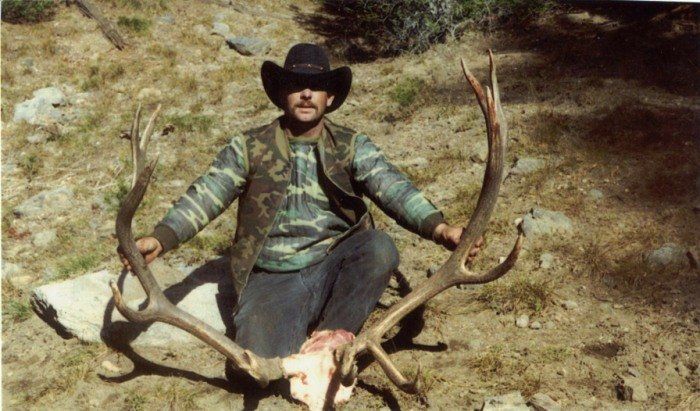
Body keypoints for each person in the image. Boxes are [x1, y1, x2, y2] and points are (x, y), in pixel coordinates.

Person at [120, 43, 480, 360]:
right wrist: (161, 239)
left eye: (317, 86)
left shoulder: (351, 145)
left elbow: (394, 188)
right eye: (295, 84)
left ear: (330, 98)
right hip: (272, 278)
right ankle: (309, 331)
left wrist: (441, 229)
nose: (306, 93)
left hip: (335, 263)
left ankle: (329, 340)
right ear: (281, 94)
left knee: (379, 249)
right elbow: (207, 194)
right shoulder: (249, 146)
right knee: (258, 367)